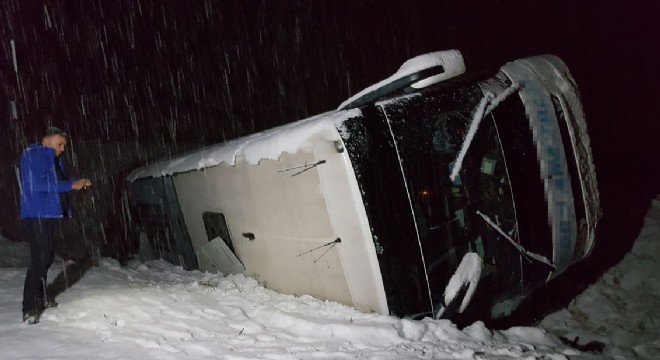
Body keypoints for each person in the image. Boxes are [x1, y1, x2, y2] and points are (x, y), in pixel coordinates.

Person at [18, 126, 92, 323]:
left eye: (64, 145)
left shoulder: (52, 159)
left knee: (47, 256)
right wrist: (70, 185)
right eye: (60, 144)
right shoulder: (33, 154)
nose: (62, 148)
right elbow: (37, 185)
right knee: (40, 258)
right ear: (46, 140)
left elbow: (56, 182)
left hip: (49, 214)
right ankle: (29, 308)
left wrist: (75, 182)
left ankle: (41, 298)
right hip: (37, 214)